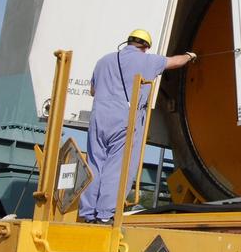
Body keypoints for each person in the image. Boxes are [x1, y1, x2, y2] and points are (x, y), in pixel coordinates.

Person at [81, 29, 195, 224]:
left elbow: (93, 90)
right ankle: (105, 215)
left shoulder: (104, 61)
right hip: (124, 119)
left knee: (94, 164)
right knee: (117, 167)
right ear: (145, 46)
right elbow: (175, 62)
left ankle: (87, 213)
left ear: (128, 42)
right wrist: (190, 56)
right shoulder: (147, 61)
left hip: (99, 119)